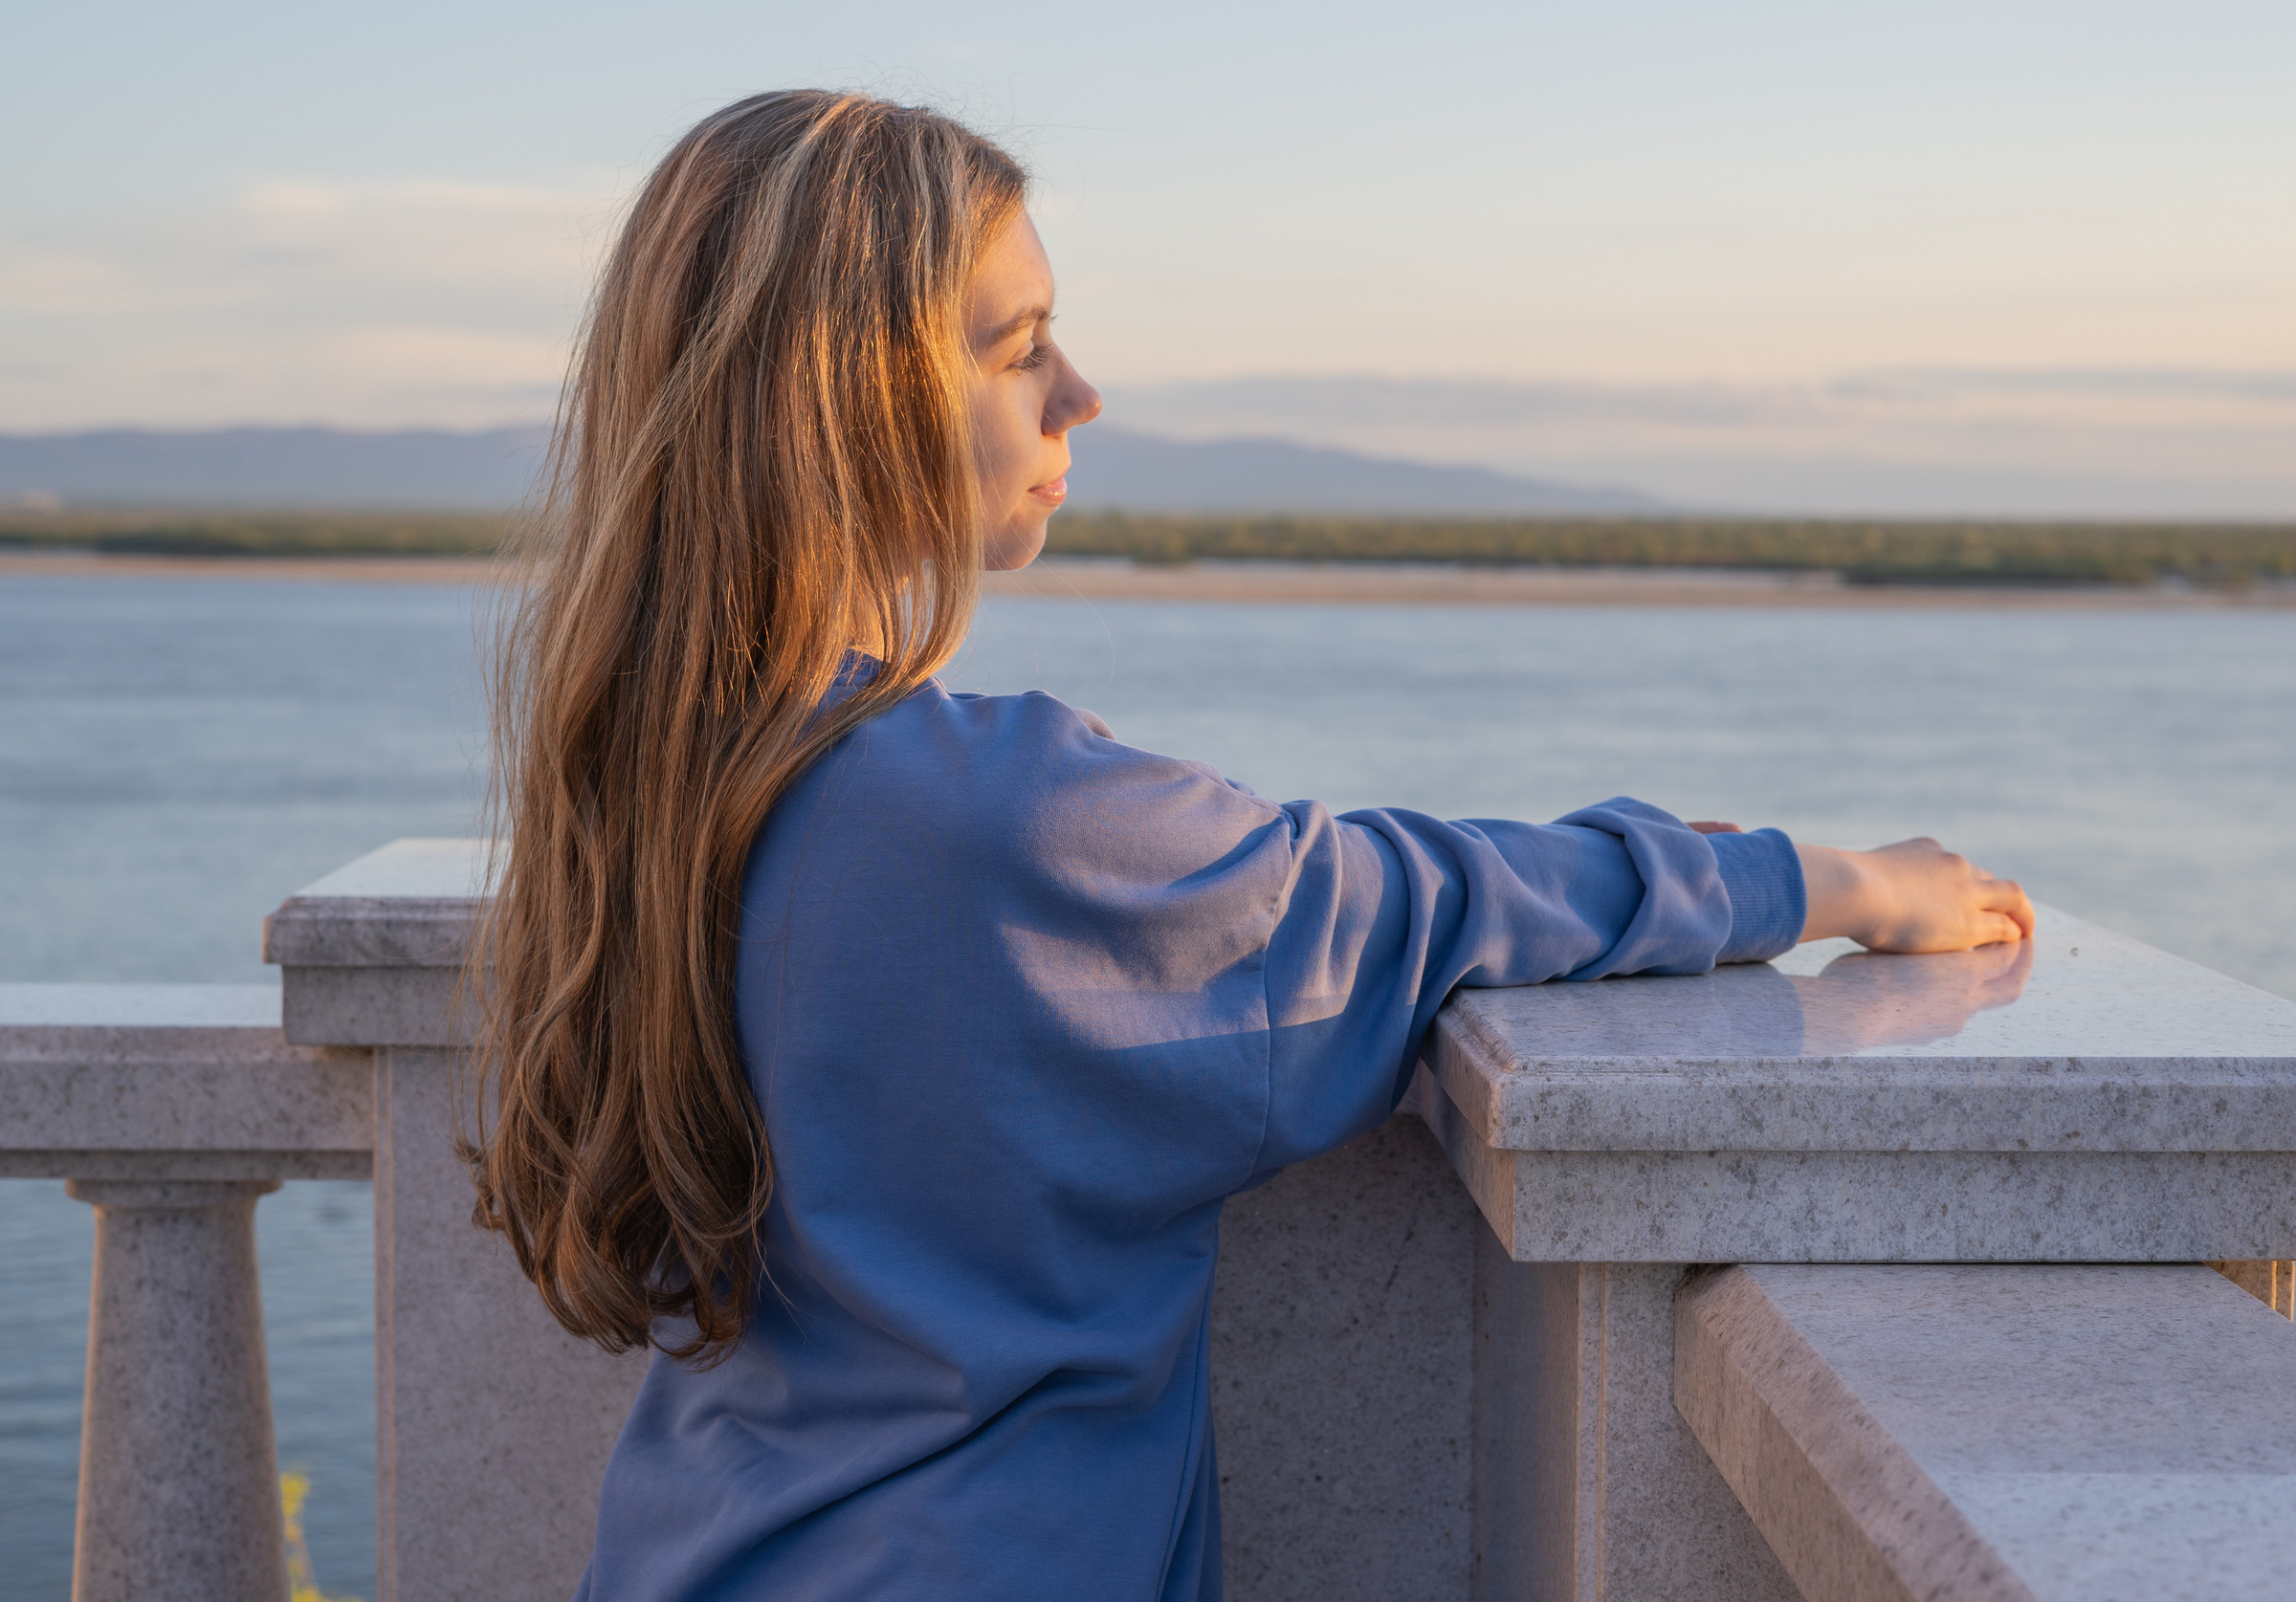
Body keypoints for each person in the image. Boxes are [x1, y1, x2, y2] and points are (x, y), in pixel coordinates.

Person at [474, 89, 2034, 1602]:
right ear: (847, 402)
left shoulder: (651, 789)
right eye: (1021, 348)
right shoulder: (996, 817)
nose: (1078, 393)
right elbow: (1403, 907)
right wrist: (1821, 879)